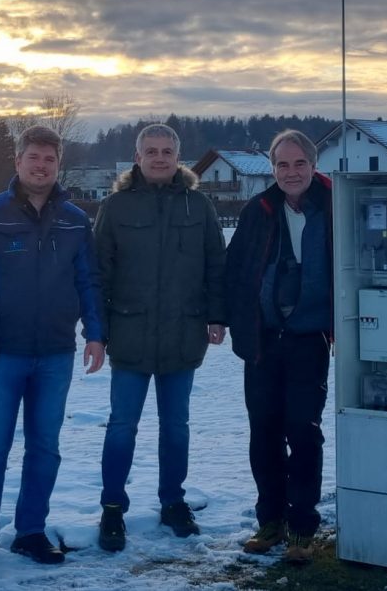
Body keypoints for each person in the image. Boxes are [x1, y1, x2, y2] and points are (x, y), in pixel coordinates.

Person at [0, 125, 106, 572]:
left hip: (55, 353)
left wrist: (95, 333)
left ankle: (31, 533)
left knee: (45, 448)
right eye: (33, 158)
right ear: (17, 162)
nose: (41, 166)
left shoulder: (75, 220)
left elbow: (88, 281)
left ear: (59, 166)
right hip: (0, 353)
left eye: (49, 160)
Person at [95, 123, 227, 552]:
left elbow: (216, 266)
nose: (158, 158)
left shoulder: (198, 207)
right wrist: (96, 331)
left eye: (166, 151)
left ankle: (173, 502)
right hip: (129, 334)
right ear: (137, 157)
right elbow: (99, 275)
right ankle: (112, 509)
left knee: (176, 427)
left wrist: (217, 316)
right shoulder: (115, 208)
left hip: (183, 334)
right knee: (121, 427)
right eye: (150, 151)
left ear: (178, 157)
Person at [224, 129, 333, 565]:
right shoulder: (259, 209)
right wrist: (227, 319)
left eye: (299, 163)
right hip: (263, 341)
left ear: (313, 164)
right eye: (282, 165)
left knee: (302, 432)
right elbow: (235, 271)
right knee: (264, 431)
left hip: (310, 340)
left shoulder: (336, 206)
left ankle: (303, 527)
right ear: (272, 169)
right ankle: (269, 521)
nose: (291, 172)